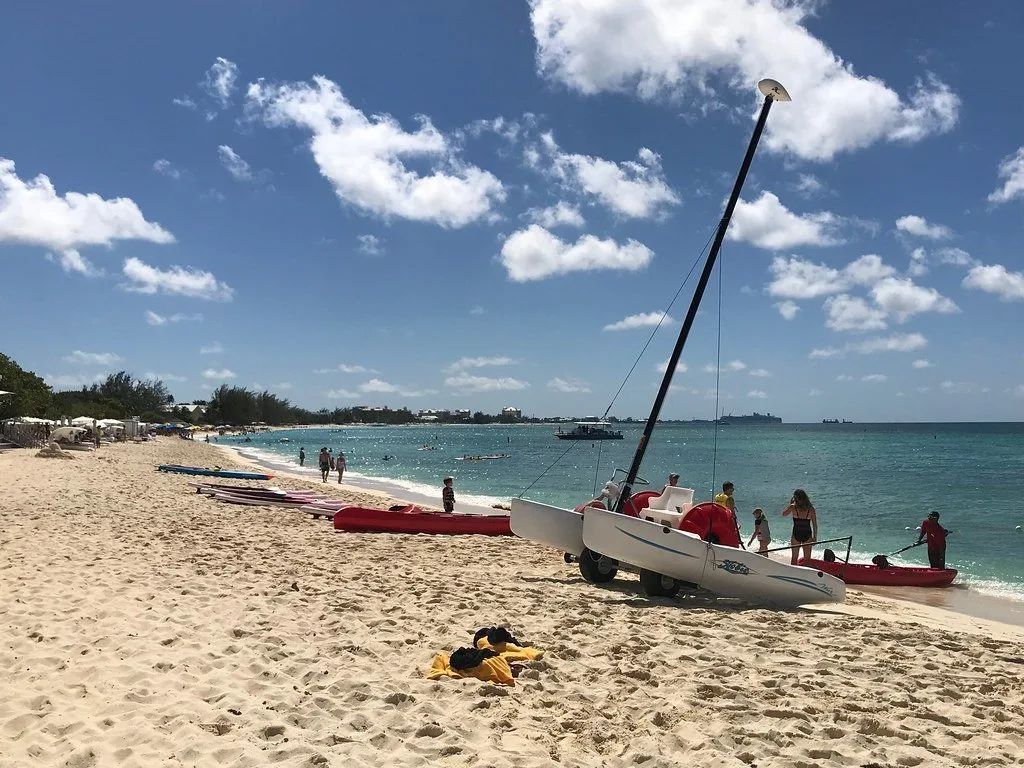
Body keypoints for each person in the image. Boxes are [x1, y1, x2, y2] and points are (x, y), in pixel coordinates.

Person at [782, 489, 817, 565]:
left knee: (794, 558)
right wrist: (815, 537)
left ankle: (794, 574)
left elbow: (784, 514)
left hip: (796, 533)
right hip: (807, 533)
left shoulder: (793, 507)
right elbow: (815, 524)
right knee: (807, 559)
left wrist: (790, 503)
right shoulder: (811, 509)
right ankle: (805, 575)